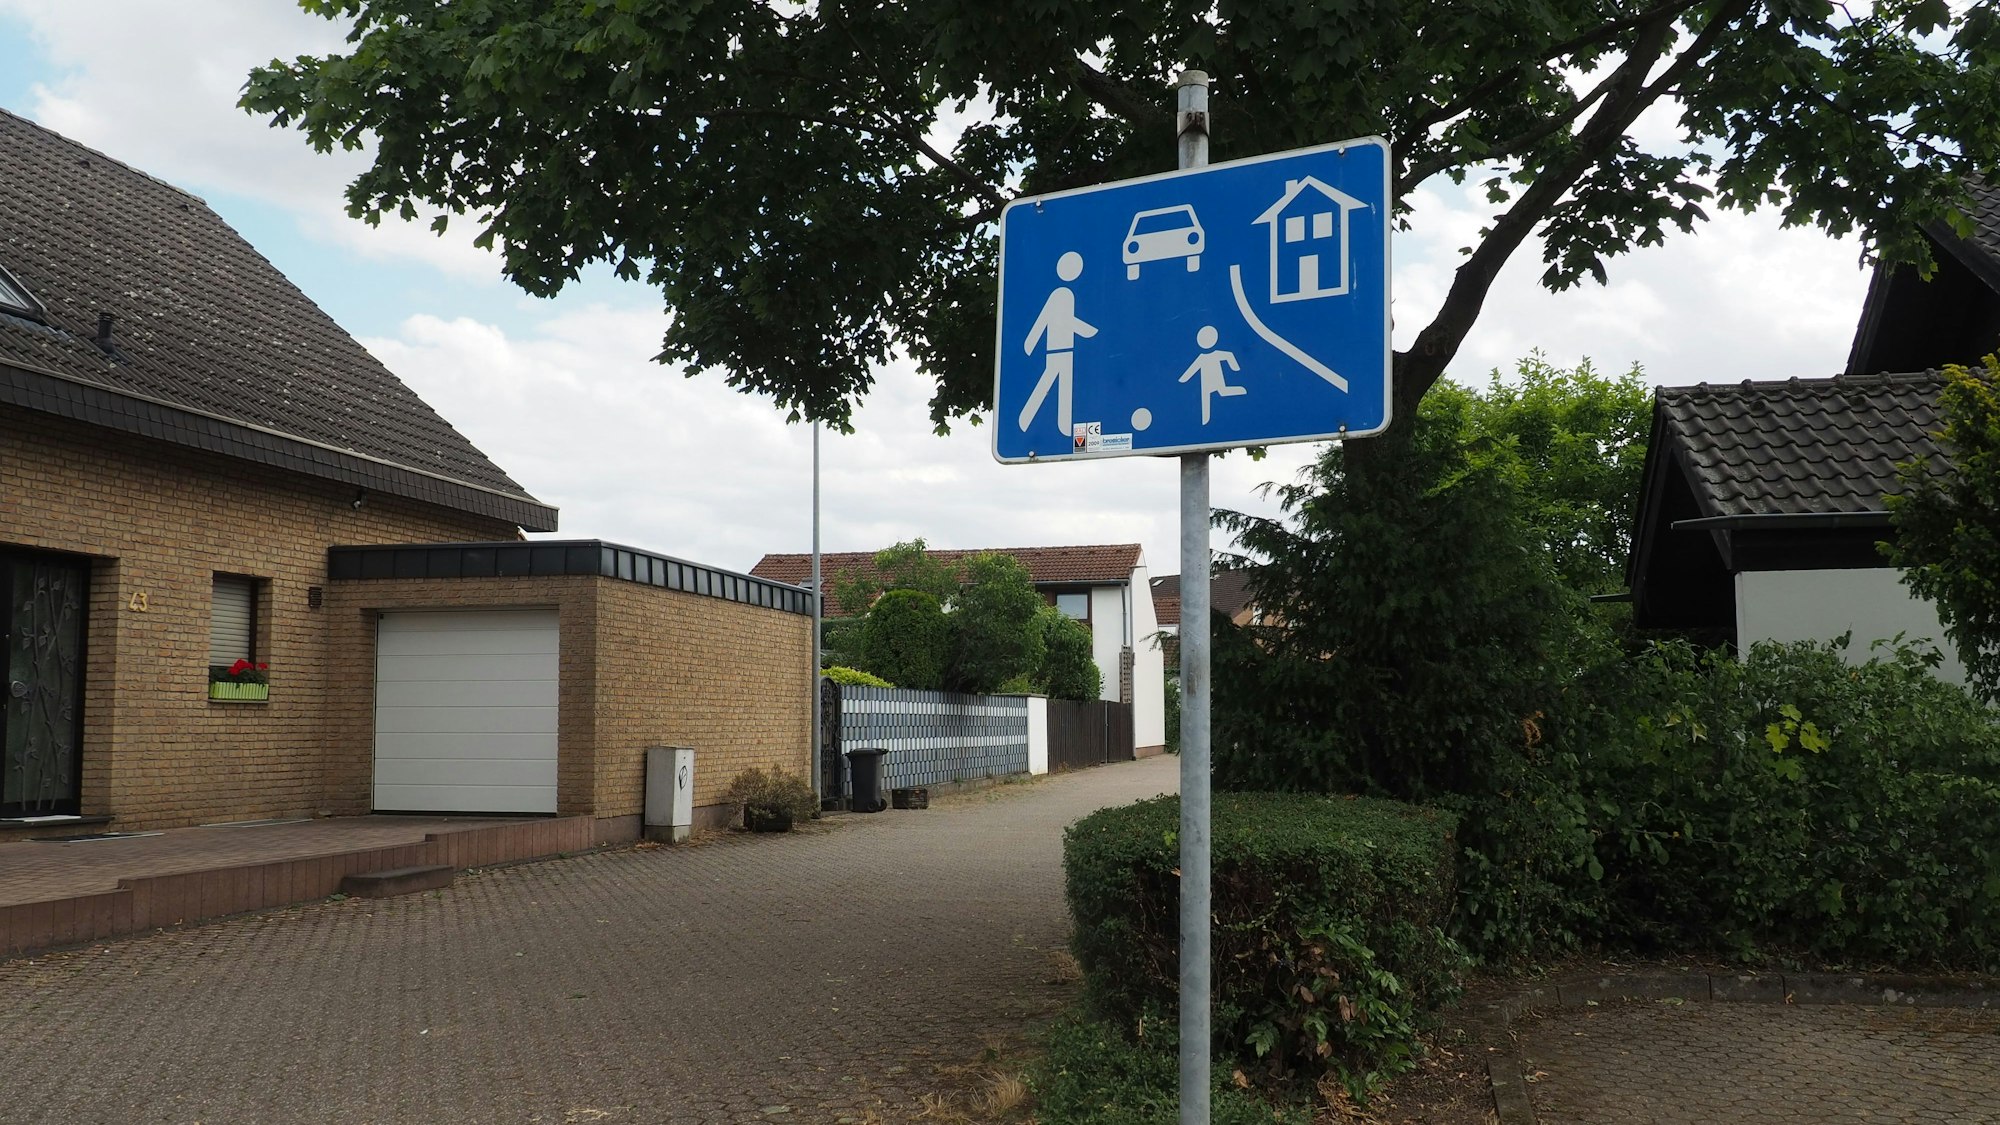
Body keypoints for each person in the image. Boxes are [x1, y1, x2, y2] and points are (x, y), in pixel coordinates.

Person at [1019, 251, 1096, 436]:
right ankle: (1026, 418)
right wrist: (1088, 331)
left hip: (1067, 349)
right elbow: (1049, 318)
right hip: (1056, 348)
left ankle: (1064, 426)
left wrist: (1031, 343)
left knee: (1063, 385)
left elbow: (1059, 320)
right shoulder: (1061, 294)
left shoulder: (1067, 294)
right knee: (1048, 381)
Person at [1177, 325, 1244, 424]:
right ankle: (1205, 420)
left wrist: (1235, 367)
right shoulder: (1202, 358)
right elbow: (1192, 370)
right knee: (1206, 398)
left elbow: (1229, 356)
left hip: (1217, 380)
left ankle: (1241, 390)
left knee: (1222, 391)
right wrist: (1183, 379)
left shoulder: (1213, 355)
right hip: (1206, 383)